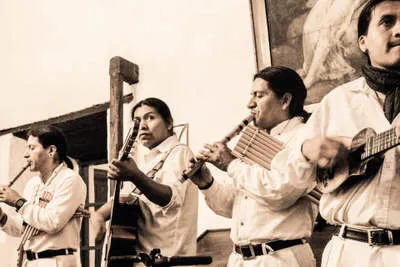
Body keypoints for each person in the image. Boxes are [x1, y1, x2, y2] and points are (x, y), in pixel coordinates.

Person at [297, 0, 400, 266]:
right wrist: (306, 150)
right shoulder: (337, 101)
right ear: (363, 41)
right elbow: (286, 177)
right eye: (387, 22)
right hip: (351, 253)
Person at [190, 66, 318, 266]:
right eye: (252, 95)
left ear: (285, 100)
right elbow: (232, 207)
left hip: (280, 259)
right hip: (241, 260)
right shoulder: (256, 141)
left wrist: (231, 164)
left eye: (259, 95)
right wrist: (207, 184)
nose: (250, 104)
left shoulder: (305, 136)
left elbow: (282, 191)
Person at [91, 97, 198, 261]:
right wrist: (98, 216)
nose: (142, 125)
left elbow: (169, 198)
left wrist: (134, 175)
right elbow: (126, 199)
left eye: (150, 117)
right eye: (137, 120)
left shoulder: (179, 152)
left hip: (170, 259)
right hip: (141, 260)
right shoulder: (143, 162)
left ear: (169, 123)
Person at [0, 125, 87, 266]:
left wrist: (18, 202)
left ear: (51, 151)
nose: (25, 154)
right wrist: (1, 217)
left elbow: (53, 222)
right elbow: (24, 229)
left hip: (56, 261)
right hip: (30, 262)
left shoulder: (71, 180)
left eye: (32, 148)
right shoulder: (32, 184)